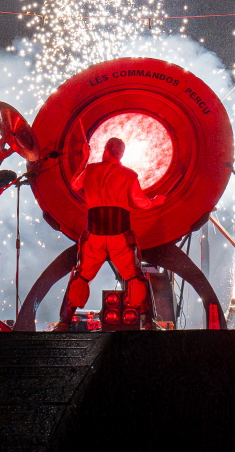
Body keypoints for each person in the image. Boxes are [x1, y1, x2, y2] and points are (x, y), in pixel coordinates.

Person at [59, 137, 166, 329]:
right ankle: (147, 322)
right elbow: (140, 202)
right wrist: (155, 202)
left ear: (105, 150)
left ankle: (64, 322)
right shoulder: (129, 175)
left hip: (95, 236)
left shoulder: (90, 170)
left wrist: (84, 159)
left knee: (81, 276)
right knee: (135, 277)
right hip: (119, 237)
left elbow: (75, 185)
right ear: (121, 154)